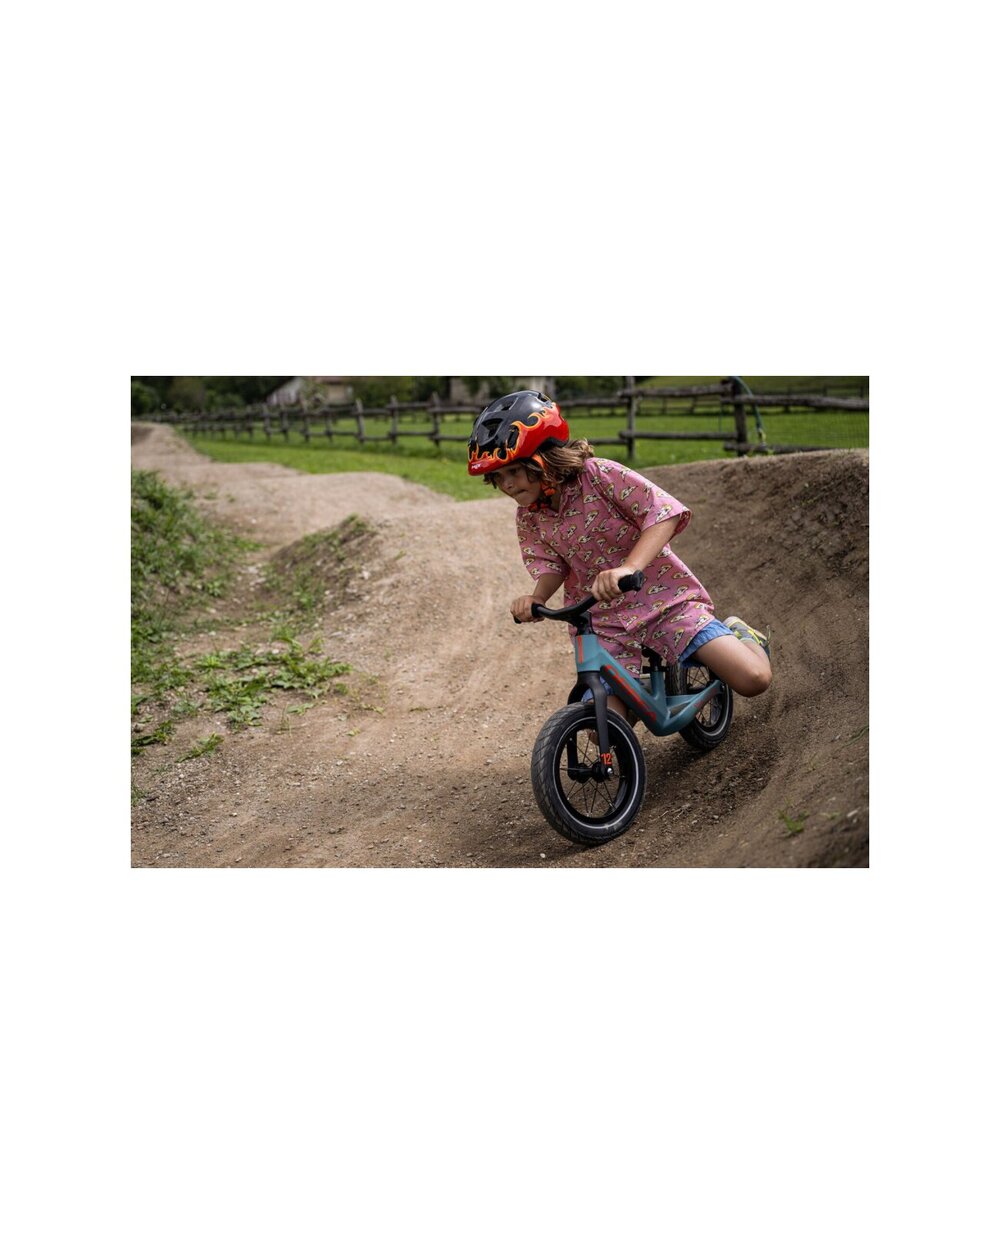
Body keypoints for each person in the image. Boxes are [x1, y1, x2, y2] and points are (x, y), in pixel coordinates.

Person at [467, 389, 772, 718]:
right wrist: (536, 598)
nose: (507, 484)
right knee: (603, 725)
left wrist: (629, 567)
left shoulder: (598, 476)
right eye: (498, 477)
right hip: (603, 623)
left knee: (754, 679)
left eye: (514, 471)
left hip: (662, 601)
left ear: (545, 458)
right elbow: (550, 564)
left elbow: (663, 512)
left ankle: (742, 635)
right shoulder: (529, 516)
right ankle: (636, 703)